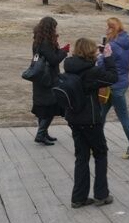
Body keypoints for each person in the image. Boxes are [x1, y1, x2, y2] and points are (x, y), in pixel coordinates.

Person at [64, 38, 118, 208]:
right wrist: (108, 57)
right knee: (100, 154)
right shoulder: (91, 71)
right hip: (90, 119)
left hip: (74, 119)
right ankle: (101, 194)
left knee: (81, 157)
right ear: (90, 52)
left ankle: (78, 197)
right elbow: (113, 77)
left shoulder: (69, 67)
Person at [100, 17, 129, 160]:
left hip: (111, 85)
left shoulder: (111, 46)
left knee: (118, 117)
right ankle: (99, 144)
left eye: (107, 27)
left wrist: (101, 54)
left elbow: (101, 64)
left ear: (112, 29)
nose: (106, 30)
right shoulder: (126, 43)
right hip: (122, 82)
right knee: (102, 114)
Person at [31, 16, 68, 145]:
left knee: (42, 107)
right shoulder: (45, 43)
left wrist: (56, 46)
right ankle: (41, 134)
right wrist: (64, 51)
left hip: (39, 77)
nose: (55, 30)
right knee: (50, 107)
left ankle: (44, 132)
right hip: (48, 79)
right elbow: (53, 60)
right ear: (50, 28)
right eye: (54, 27)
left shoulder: (38, 40)